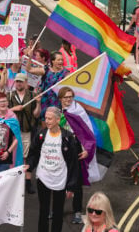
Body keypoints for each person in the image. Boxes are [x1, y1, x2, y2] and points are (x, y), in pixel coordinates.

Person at [26, 106, 80, 232]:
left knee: (58, 212)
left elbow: (73, 164)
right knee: (43, 211)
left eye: (50, 119)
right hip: (43, 177)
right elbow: (33, 153)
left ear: (57, 119)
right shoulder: (41, 134)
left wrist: (71, 186)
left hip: (60, 179)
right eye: (46, 118)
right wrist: (30, 165)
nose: (47, 121)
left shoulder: (67, 137)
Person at [58, 87, 95, 224]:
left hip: (76, 150)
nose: (68, 100)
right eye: (65, 97)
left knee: (77, 182)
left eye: (70, 97)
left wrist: (86, 149)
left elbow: (87, 131)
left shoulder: (78, 111)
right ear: (60, 99)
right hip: (60, 150)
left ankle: (77, 211)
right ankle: (57, 209)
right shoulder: (57, 112)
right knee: (59, 181)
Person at [7, 73, 41, 194]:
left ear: (26, 83)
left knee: (26, 156)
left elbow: (36, 115)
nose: (19, 84)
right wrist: (14, 109)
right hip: (13, 132)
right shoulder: (9, 95)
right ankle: (14, 181)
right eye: (17, 81)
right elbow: (2, 112)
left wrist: (38, 103)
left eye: (21, 81)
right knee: (13, 156)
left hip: (27, 131)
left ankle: (27, 182)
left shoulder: (32, 95)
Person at [39, 51, 69, 124]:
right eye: (58, 60)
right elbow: (29, 69)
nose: (61, 61)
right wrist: (30, 56)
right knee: (45, 124)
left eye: (62, 60)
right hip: (45, 102)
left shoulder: (65, 73)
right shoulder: (46, 70)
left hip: (57, 103)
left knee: (55, 124)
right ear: (53, 61)